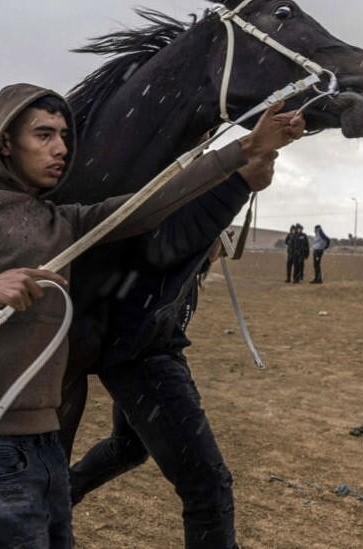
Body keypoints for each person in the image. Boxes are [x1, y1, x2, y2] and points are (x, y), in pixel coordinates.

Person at [0, 83, 304, 548]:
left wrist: (246, 149)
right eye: (44, 135)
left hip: (47, 443)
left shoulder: (66, 222)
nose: (61, 149)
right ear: (5, 142)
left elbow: (149, 204)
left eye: (65, 137)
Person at [69, 150, 277, 549]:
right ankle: (58, 498)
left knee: (128, 448)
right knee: (208, 486)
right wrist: (238, 183)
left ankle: (59, 496)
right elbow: (175, 245)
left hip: (145, 354)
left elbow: (216, 245)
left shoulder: (192, 238)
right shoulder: (166, 228)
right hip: (145, 358)